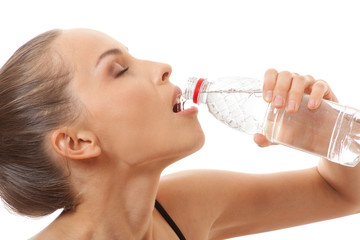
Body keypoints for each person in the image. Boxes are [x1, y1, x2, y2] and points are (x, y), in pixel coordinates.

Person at [0, 28, 359, 240]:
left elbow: (342, 193)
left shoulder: (188, 207)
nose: (163, 67)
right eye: (120, 69)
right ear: (77, 142)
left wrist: (327, 127)